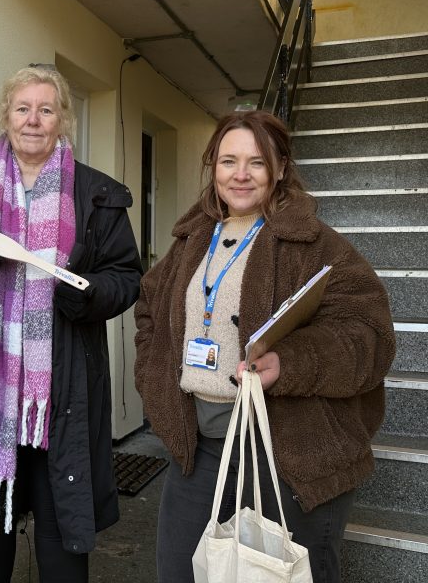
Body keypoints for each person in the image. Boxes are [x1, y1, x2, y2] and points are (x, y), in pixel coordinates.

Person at [134, 110, 395, 583]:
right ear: (212, 166)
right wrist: (155, 384)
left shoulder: (316, 244)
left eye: (256, 162)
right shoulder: (191, 239)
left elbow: (369, 335)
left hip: (290, 452)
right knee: (179, 572)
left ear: (279, 169)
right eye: (228, 160)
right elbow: (149, 308)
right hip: (202, 449)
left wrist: (291, 362)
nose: (240, 174)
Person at [0, 64, 142, 583]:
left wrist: (85, 296)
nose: (34, 120)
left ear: (63, 118)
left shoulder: (97, 194)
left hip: (60, 390)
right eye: (23, 108)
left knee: (59, 519)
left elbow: (126, 276)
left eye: (46, 109)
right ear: (6, 114)